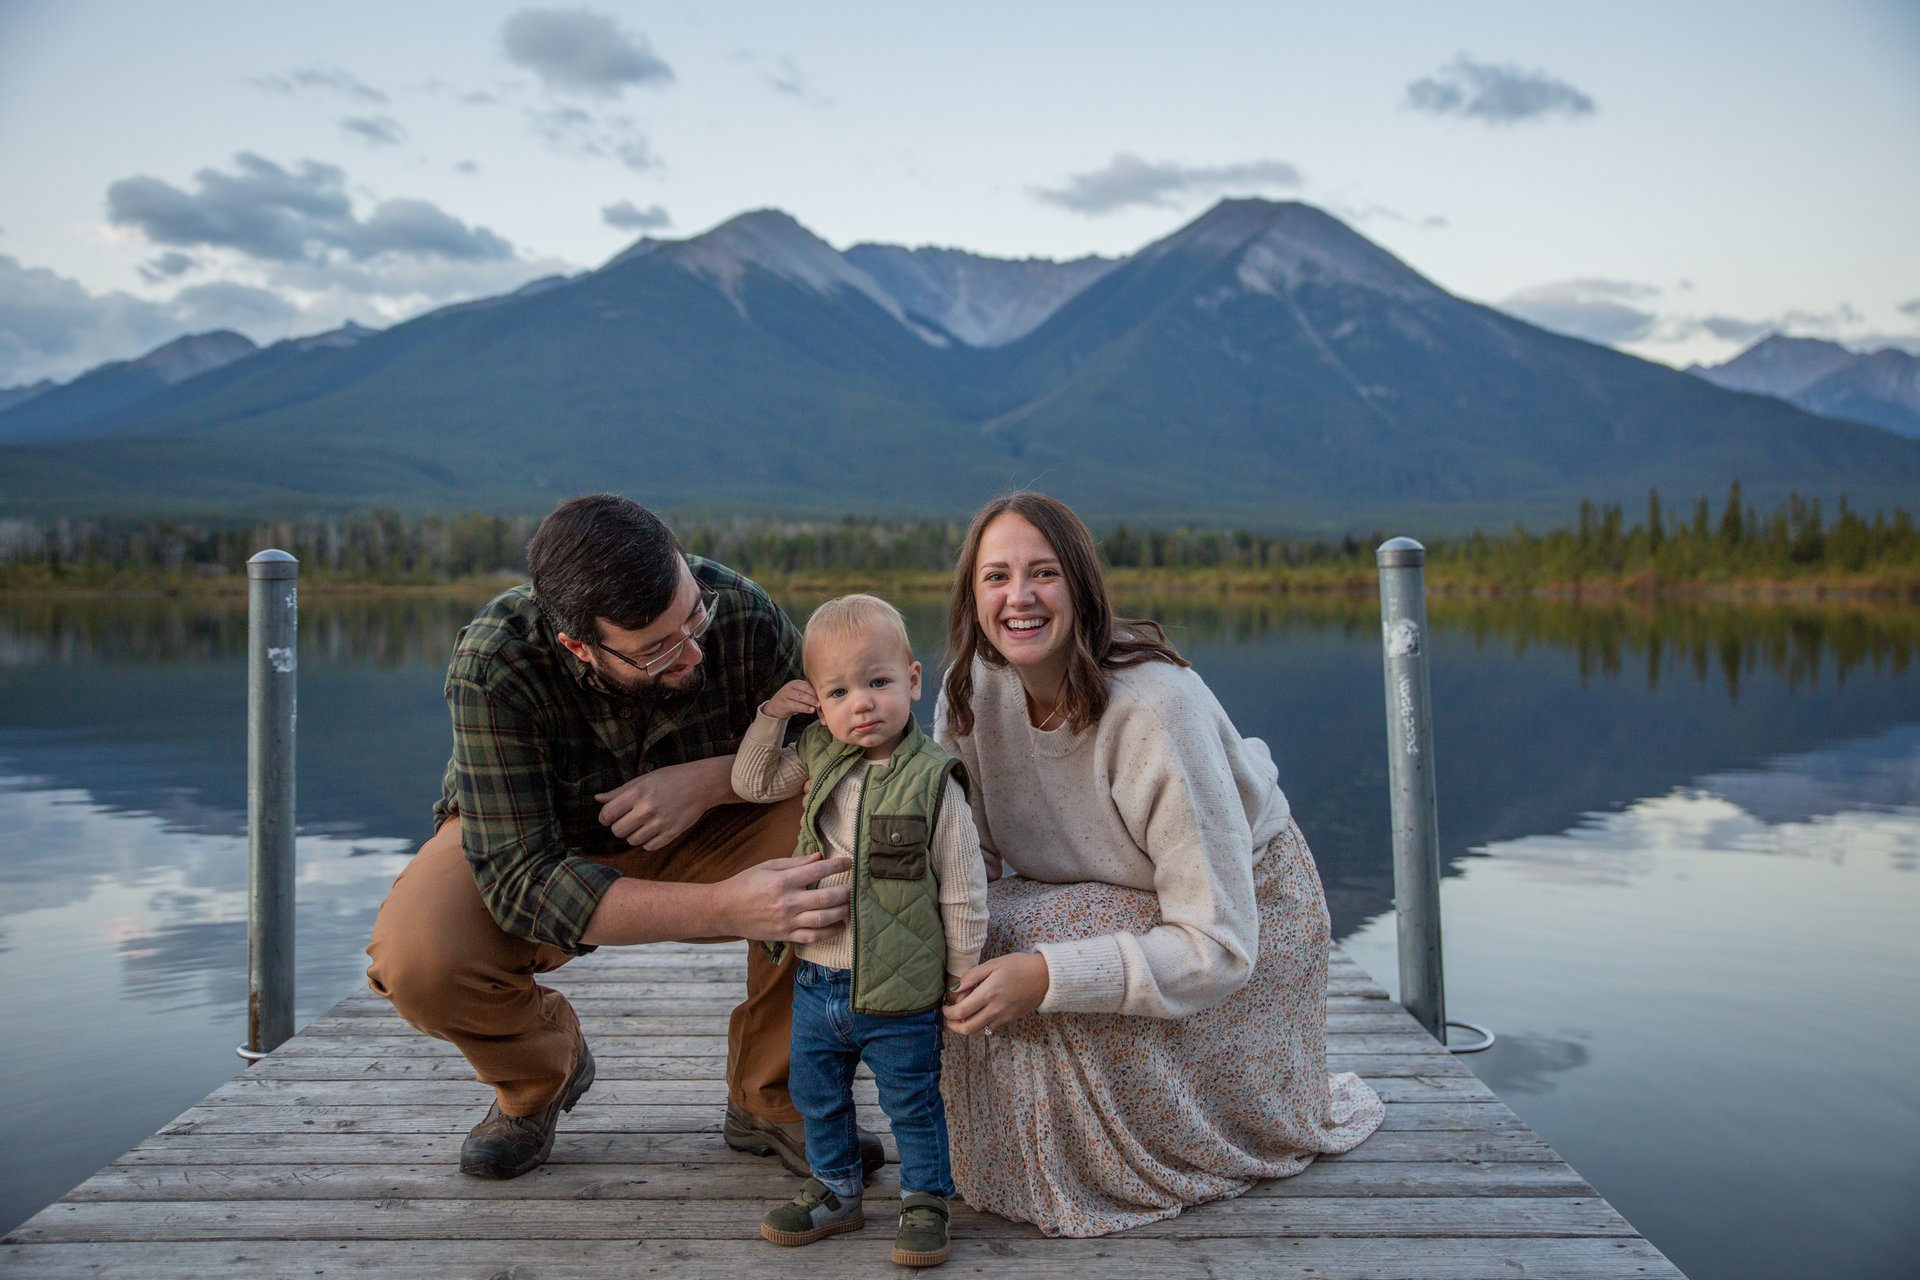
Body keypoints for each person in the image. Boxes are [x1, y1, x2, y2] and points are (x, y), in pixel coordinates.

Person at [365, 494, 880, 1182]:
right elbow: (520, 880)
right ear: (578, 645)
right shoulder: (497, 661)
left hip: (715, 831)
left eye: (694, 617)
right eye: (658, 649)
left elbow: (845, 750)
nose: (692, 650)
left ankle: (774, 1095)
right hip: (542, 848)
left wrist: (713, 781)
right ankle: (540, 1074)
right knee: (419, 958)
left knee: (847, 839)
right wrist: (725, 906)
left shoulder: (741, 611)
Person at [934, 491, 1385, 1237]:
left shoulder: (1154, 710)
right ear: (971, 595)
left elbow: (1219, 944)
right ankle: (1007, 1154)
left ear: (1081, 586)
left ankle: (1106, 1160)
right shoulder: (970, 690)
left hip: (1244, 920)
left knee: (1037, 948)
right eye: (996, 576)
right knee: (973, 935)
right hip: (1097, 893)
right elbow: (967, 863)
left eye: (1043, 573)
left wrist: (1047, 976)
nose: (1019, 597)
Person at [733, 595, 989, 1269]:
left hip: (902, 990)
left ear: (912, 680)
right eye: (839, 692)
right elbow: (752, 782)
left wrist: (961, 977)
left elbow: (963, 891)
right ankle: (837, 1189)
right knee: (817, 1095)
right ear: (819, 705)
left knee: (913, 1103)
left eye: (878, 682)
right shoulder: (820, 756)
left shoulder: (933, 782)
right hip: (818, 980)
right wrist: (771, 718)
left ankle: (926, 1201)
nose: (862, 704)